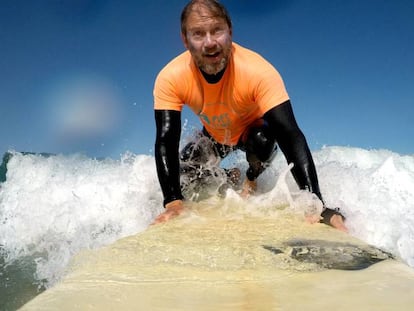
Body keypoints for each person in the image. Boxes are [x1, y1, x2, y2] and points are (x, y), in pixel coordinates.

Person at [153, 0, 347, 232]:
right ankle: (230, 175)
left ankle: (251, 178)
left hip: (253, 134)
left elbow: (289, 134)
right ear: (185, 40)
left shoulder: (258, 71)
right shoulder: (171, 77)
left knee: (262, 139)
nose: (210, 42)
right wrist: (173, 202)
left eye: (217, 31)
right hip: (215, 138)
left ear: (230, 32)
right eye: (198, 34)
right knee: (186, 174)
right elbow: (166, 140)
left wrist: (316, 202)